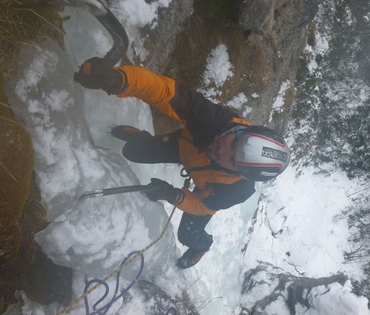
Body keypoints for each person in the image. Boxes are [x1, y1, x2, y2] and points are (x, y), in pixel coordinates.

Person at [74, 58, 291, 269]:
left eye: (232, 160)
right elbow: (165, 92)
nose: (222, 150)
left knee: (187, 234)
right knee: (134, 152)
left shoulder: (236, 190)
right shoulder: (214, 121)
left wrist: (173, 195)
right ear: (239, 131)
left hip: (206, 183)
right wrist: (121, 79)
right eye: (234, 142)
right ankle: (143, 137)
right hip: (186, 148)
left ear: (241, 173)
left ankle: (202, 245)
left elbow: (202, 205)